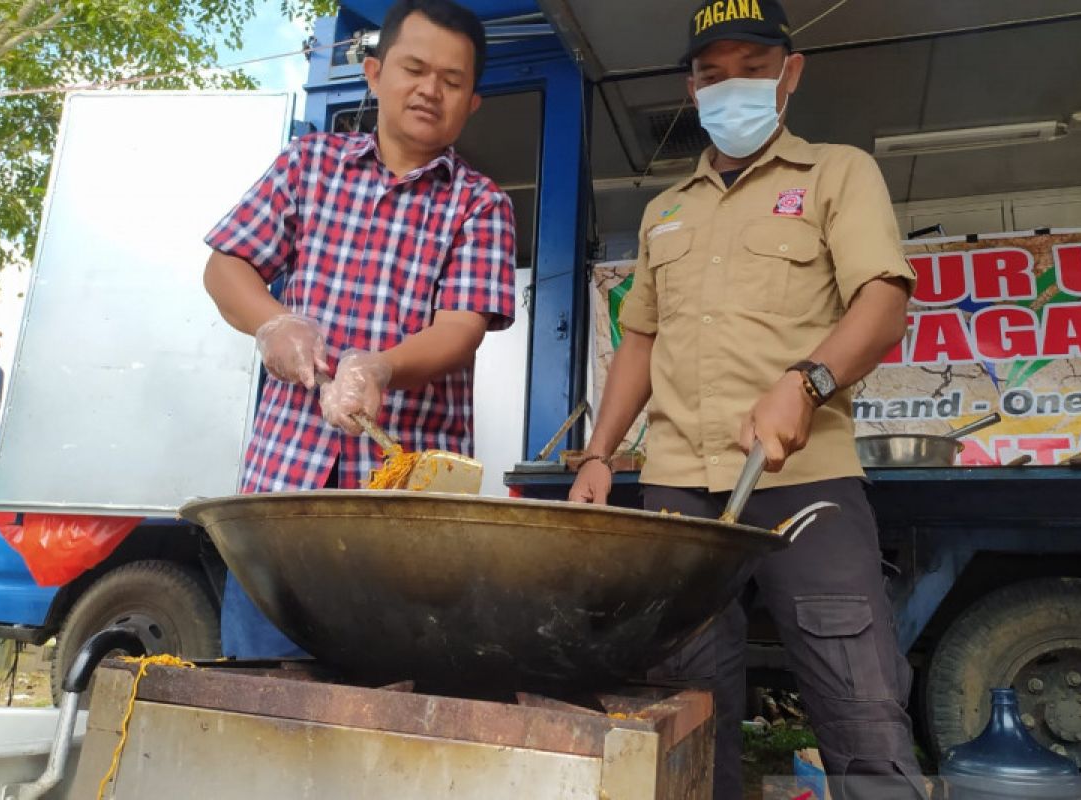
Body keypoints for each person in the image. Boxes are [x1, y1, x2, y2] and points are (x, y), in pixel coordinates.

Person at [569, 1, 927, 798]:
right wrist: (599, 454)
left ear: (789, 75)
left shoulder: (839, 174)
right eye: (712, 74)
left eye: (753, 70)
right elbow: (640, 342)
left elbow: (882, 297)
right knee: (684, 712)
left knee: (860, 704)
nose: (732, 89)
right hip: (676, 493)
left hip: (807, 486)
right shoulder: (665, 211)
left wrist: (808, 382)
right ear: (692, 89)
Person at [203, 0, 516, 659]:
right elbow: (227, 266)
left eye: (452, 81)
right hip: (283, 507)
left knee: (391, 716)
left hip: (406, 522)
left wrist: (378, 368)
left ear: (472, 104)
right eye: (414, 68)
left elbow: (461, 329)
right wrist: (274, 323)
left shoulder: (481, 203)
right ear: (373, 74)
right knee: (262, 711)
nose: (430, 89)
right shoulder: (308, 165)